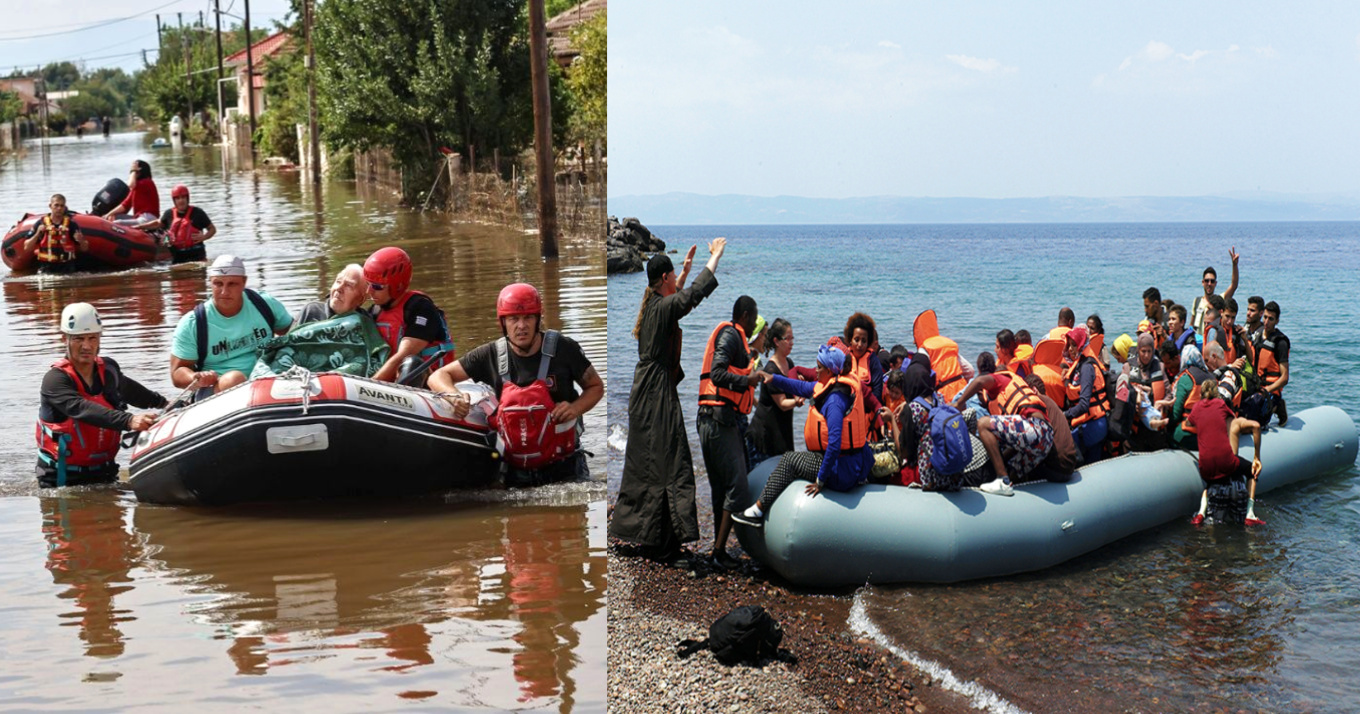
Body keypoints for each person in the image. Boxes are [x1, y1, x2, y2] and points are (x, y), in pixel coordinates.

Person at [611, 238, 726, 564]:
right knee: (671, 462)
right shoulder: (660, 308)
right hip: (655, 394)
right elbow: (690, 299)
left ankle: (649, 537)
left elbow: (677, 299)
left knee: (650, 463)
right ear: (665, 279)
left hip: (647, 391)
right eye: (674, 276)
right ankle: (662, 545)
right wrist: (714, 258)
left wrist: (686, 271)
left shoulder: (651, 306)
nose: (676, 281)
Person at [427, 282, 603, 487]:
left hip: (566, 467)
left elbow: (596, 387)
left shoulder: (565, 349)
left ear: (538, 319)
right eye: (514, 319)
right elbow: (438, 376)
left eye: (528, 317)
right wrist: (453, 395)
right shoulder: (489, 354)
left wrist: (575, 408)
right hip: (515, 472)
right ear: (502, 323)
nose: (522, 326)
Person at [733, 344, 874, 527]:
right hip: (849, 463)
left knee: (790, 459)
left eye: (820, 367)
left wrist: (821, 479)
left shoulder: (835, 401)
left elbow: (835, 443)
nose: (815, 370)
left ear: (831, 371)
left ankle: (757, 511)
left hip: (841, 469)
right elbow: (800, 386)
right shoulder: (830, 385)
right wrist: (772, 378)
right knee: (797, 458)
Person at [37, 303, 166, 487]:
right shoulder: (55, 380)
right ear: (64, 338)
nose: (87, 346)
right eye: (79, 339)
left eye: (92, 338)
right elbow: (82, 408)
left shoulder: (109, 371)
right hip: (62, 478)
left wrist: (165, 404)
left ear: (99, 338)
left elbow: (134, 392)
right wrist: (129, 421)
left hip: (105, 472)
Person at [694, 295, 761, 569]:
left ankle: (716, 550)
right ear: (745, 315)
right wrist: (749, 379)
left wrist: (751, 361)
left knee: (721, 486)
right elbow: (718, 374)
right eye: (754, 317)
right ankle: (719, 552)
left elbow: (731, 366)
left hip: (711, 419)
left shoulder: (736, 340)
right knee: (738, 486)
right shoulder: (731, 335)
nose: (756, 322)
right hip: (718, 420)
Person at [170, 255, 293, 395]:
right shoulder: (193, 323)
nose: (224, 292)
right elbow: (177, 374)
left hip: (268, 381)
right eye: (218, 284)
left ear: (244, 282)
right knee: (235, 379)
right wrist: (195, 377)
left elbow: (294, 335)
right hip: (218, 389)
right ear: (210, 282)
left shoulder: (264, 304)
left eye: (232, 284)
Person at [894, 353, 993, 492]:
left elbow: (904, 452)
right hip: (955, 476)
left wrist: (891, 420)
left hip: (932, 479)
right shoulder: (940, 398)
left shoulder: (913, 410)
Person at [361, 247, 457, 384]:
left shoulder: (420, 308)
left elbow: (404, 355)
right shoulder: (374, 312)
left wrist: (371, 385)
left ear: (397, 286)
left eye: (377, 287)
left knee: (412, 363)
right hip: (390, 384)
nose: (369, 291)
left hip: (430, 383)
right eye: (368, 284)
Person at [951, 367, 1054, 490]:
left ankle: (1002, 480)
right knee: (1011, 468)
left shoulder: (1001, 380)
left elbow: (979, 381)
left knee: (983, 424)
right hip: (1044, 442)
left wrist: (959, 404)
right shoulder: (1001, 404)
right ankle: (1008, 484)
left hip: (1037, 429)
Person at [1184, 379, 1265, 526]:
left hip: (1206, 466)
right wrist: (1256, 457)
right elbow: (1251, 424)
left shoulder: (1196, 408)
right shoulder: (1221, 405)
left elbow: (1188, 423)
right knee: (1252, 472)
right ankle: (1250, 513)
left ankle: (1201, 513)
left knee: (1210, 480)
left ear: (1200, 394)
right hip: (1227, 462)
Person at [749, 318, 803, 464]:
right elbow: (782, 403)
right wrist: (797, 402)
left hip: (782, 429)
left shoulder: (789, 363)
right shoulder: (771, 370)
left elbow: (794, 386)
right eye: (788, 339)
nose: (791, 342)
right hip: (765, 435)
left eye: (793, 338)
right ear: (777, 341)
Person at [1062, 326, 1110, 464]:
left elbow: (1083, 405)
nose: (1070, 349)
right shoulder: (1080, 364)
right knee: (1093, 461)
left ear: (1082, 344)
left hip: (1095, 425)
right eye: (1069, 345)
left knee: (1064, 445)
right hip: (1093, 422)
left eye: (1074, 345)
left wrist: (1064, 416)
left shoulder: (1087, 368)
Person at [140, 184, 215, 262]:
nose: (181, 200)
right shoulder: (168, 214)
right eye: (178, 198)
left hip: (198, 257)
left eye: (183, 197)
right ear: (174, 200)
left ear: (187, 198)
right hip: (178, 258)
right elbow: (160, 228)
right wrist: (139, 227)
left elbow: (212, 229)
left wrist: (204, 237)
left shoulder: (198, 213)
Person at [22, 194, 88, 272]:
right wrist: (37, 234)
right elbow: (26, 247)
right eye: (56, 205)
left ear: (64, 207)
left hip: (67, 268)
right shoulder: (41, 223)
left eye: (62, 206)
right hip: (46, 267)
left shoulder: (71, 225)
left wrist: (81, 240)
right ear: (50, 206)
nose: (59, 208)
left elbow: (85, 249)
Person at [1252, 301, 1290, 426]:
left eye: (1271, 319)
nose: (1267, 322)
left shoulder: (1280, 343)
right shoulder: (1257, 335)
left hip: (1271, 391)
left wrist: (1267, 390)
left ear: (1277, 321)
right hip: (1256, 386)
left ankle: (1278, 407)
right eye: (1265, 317)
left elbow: (1284, 378)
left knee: (1257, 419)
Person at [1169, 345, 1213, 449]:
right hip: (1209, 434)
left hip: (1188, 434)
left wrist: (1167, 425)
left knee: (1168, 436)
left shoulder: (1185, 379)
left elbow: (1176, 413)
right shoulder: (1213, 378)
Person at [295, 264, 369, 325]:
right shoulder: (311, 312)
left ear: (360, 299)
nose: (339, 288)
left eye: (348, 285)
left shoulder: (365, 322)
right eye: (338, 282)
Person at [1191, 248, 1240, 337]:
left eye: (1212, 281)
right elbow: (1192, 324)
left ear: (1215, 283)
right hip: (1199, 341)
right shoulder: (1197, 301)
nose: (1209, 284)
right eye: (1207, 281)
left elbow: (1234, 285)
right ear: (1203, 282)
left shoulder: (1221, 300)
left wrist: (1234, 265)